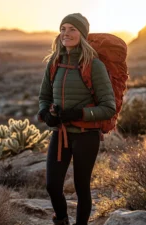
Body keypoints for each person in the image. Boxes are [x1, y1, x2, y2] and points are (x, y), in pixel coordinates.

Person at [37, 13, 116, 225]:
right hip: (60, 134)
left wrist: (78, 114)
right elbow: (44, 97)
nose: (66, 33)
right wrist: (46, 115)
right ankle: (61, 220)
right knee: (52, 186)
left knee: (82, 187)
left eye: (72, 29)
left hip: (85, 136)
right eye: (63, 28)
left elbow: (109, 107)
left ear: (82, 34)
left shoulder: (94, 65)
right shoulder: (54, 62)